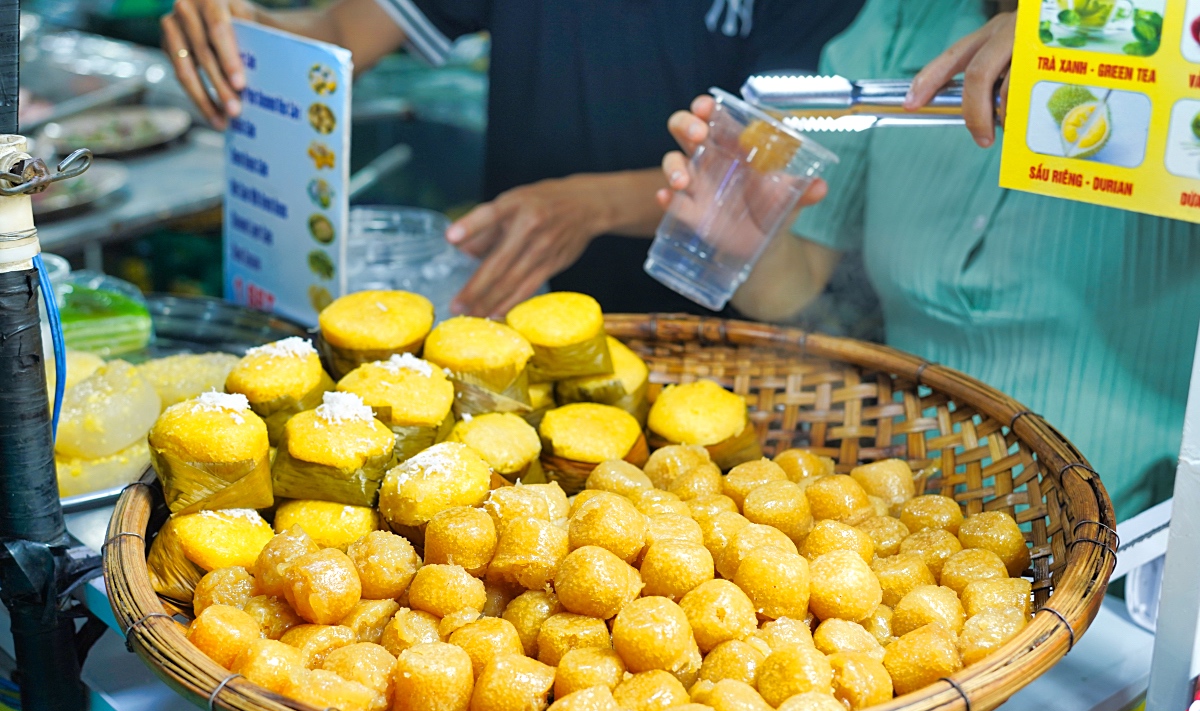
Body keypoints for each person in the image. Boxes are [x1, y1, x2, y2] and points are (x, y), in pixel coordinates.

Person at [660, 0, 1200, 521]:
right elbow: (791, 289)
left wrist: (1100, 35)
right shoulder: (905, 20)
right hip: (896, 504)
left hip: (1129, 546)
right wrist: (748, 241)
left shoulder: (1176, 44)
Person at [162, 0, 864, 316]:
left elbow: (766, 163)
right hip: (518, 303)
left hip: (704, 329)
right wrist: (241, 31)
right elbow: (338, 35)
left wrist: (588, 205)